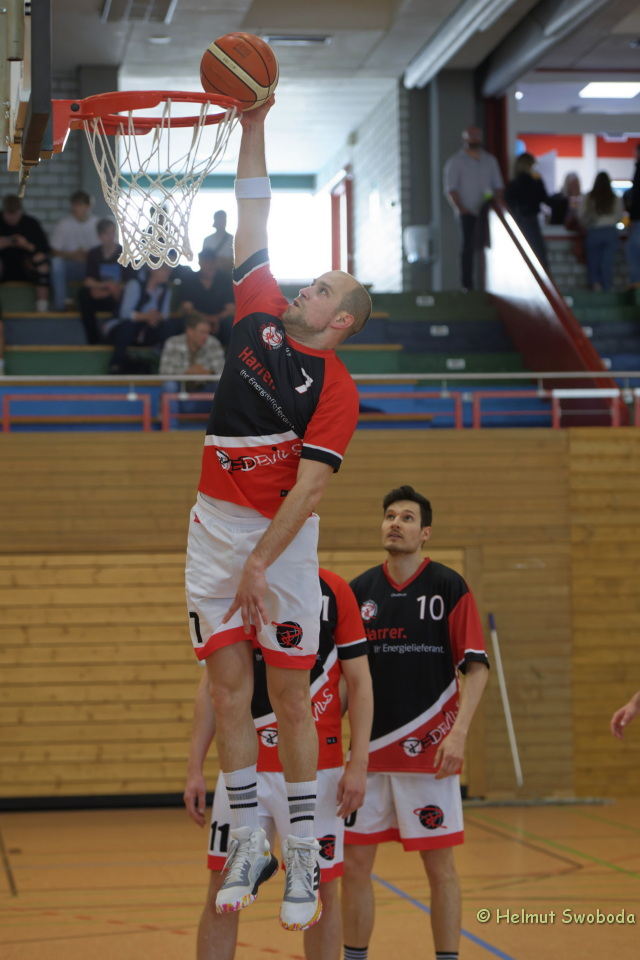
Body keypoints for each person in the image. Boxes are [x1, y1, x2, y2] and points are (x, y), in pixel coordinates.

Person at [184, 95, 371, 932]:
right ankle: (248, 842)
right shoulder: (257, 310)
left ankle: (300, 851)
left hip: (282, 544)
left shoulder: (337, 390)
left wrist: (262, 562)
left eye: (322, 289)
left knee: (290, 698)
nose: (305, 287)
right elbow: (252, 205)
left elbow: (310, 490)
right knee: (228, 690)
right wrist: (251, 123)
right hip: (212, 528)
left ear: (342, 321)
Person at [184, 567, 373, 960]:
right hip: (243, 771)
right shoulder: (233, 586)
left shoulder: (333, 589)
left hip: (315, 771)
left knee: (321, 891)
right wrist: (194, 767)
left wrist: (358, 762)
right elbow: (212, 687)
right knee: (222, 890)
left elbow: (360, 681)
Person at [343, 485, 490, 960]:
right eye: (390, 515)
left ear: (425, 533)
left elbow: (476, 668)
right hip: (367, 758)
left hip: (430, 755)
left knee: (440, 869)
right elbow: (345, 679)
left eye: (407, 518)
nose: (395, 523)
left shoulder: (448, 586)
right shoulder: (358, 592)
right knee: (355, 866)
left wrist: (459, 735)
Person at [443, 126, 504, 290]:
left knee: (490, 246)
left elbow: (498, 186)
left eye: (476, 136)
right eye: (471, 136)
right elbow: (451, 188)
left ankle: (493, 284)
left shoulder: (490, 161)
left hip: (488, 211)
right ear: (464, 139)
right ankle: (467, 285)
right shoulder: (455, 162)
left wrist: (495, 204)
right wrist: (461, 209)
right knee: (468, 247)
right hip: (467, 212)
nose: (474, 139)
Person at [106, 263, 174, 373]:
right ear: (153, 268)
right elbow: (125, 313)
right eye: (165, 269)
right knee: (128, 326)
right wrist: (147, 317)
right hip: (122, 329)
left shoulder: (166, 289)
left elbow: (165, 315)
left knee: (168, 326)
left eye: (169, 269)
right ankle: (115, 365)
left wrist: (155, 317)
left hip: (147, 329)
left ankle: (167, 366)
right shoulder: (135, 284)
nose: (168, 273)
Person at [78, 218, 130, 344]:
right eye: (107, 233)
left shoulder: (124, 253)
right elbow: (88, 281)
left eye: (113, 233)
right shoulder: (94, 253)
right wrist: (105, 286)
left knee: (125, 296)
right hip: (101, 294)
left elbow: (129, 282)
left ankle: (115, 337)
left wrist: (112, 290)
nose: (111, 237)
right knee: (83, 295)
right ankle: (93, 340)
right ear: (100, 236)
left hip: (117, 296)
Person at [50, 190, 99, 310]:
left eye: (79, 205)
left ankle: (100, 304)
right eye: (74, 205)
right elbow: (54, 251)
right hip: (71, 266)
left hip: (91, 266)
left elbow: (105, 251)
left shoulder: (97, 224)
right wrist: (72, 255)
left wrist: (88, 256)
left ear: (88, 206)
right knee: (56, 263)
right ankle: (60, 306)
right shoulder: (63, 224)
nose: (75, 208)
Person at [0, 195, 50, 311]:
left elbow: (44, 249)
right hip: (4, 267)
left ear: (20, 211)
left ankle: (42, 307)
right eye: (9, 214)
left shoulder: (31, 223)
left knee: (41, 261)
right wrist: (7, 242)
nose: (12, 218)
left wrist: (26, 245)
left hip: (26, 267)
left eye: (15, 214)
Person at [175, 248, 235, 343]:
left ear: (216, 263)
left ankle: (229, 351)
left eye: (211, 262)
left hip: (220, 320)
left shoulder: (225, 280)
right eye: (205, 262)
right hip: (196, 318)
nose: (208, 265)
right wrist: (208, 319)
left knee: (230, 323)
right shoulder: (189, 279)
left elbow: (231, 308)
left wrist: (217, 319)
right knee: (183, 321)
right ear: (200, 263)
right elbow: (187, 308)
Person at [159, 313, 225, 397]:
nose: (206, 336)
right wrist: (188, 372)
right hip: (180, 387)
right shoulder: (173, 343)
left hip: (205, 387)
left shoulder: (213, 343)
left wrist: (207, 372)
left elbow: (222, 372)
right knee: (169, 386)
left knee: (220, 386)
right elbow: (164, 372)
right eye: (202, 332)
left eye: (207, 332)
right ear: (190, 331)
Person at [579, 172, 624, 292]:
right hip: (610, 232)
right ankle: (608, 287)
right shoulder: (615, 197)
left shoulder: (588, 197)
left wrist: (588, 224)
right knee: (607, 262)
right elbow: (619, 216)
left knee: (593, 262)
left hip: (593, 232)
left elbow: (581, 215)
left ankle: (596, 287)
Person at [505, 152, 550, 268]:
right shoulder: (535, 181)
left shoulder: (514, 183)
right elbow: (544, 198)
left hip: (517, 221)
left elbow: (508, 202)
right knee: (539, 254)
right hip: (530, 220)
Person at [624, 144, 640, 289]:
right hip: (636, 218)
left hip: (637, 219)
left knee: (632, 248)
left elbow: (636, 197)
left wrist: (631, 212)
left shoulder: (638, 169)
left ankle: (636, 283)